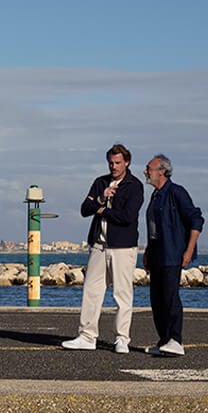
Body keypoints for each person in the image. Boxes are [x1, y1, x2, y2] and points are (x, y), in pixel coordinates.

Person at [62, 144, 144, 354]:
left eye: (118, 162)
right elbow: (84, 209)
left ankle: (122, 338)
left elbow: (127, 217)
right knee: (91, 291)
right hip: (99, 246)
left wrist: (102, 210)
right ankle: (87, 336)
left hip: (123, 248)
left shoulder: (134, 186)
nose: (114, 166)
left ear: (127, 162)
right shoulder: (100, 182)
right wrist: (100, 198)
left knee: (122, 294)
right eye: (111, 162)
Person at [142, 153, 204, 356]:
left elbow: (196, 220)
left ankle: (175, 340)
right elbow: (154, 229)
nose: (146, 172)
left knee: (170, 298)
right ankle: (164, 341)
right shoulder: (155, 196)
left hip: (172, 254)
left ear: (162, 171)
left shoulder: (177, 192)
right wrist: (147, 251)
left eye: (149, 169)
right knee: (157, 300)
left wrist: (188, 250)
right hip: (157, 255)